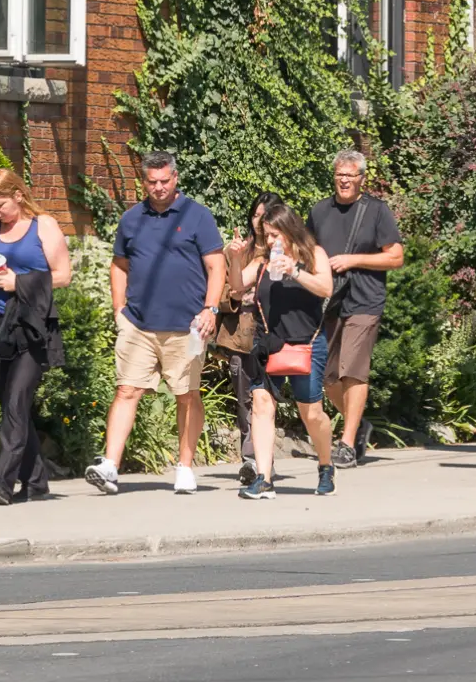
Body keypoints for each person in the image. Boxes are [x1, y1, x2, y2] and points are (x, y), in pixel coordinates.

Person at [87, 152, 224, 496]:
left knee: (186, 395)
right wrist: (119, 308)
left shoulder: (197, 216)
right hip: (138, 325)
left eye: (165, 181)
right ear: (143, 181)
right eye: (152, 182)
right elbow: (119, 265)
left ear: (175, 178)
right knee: (126, 390)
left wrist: (211, 309)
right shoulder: (132, 218)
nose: (159, 187)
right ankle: (110, 467)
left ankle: (185, 468)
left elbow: (217, 267)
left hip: (187, 326)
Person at [0, 170, 73, 505]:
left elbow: (63, 275)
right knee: (11, 406)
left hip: (31, 325)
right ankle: (37, 481)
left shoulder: (43, 225)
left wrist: (20, 283)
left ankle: (2, 483)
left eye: (0, 205)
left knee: (16, 401)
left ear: (17, 194)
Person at [234, 203, 338, 499]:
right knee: (262, 403)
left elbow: (326, 288)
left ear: (291, 229)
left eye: (276, 234)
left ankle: (326, 465)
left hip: (308, 342)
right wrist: (233, 256)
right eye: (266, 236)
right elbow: (237, 286)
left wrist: (294, 271)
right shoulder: (263, 262)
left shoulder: (313, 254)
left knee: (312, 414)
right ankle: (264, 479)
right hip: (271, 343)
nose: (271, 241)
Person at [307, 149, 403, 468]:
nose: (344, 180)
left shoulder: (376, 211)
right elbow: (307, 254)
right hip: (329, 302)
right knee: (328, 376)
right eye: (339, 175)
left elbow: (396, 257)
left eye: (351, 175)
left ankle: (347, 443)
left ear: (362, 179)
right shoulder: (320, 212)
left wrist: (354, 260)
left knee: (352, 369)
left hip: (365, 300)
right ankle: (358, 424)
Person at [219, 192, 280, 489]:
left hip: (272, 334)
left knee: (264, 397)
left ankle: (258, 457)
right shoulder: (239, 250)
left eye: (266, 215)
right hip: (239, 335)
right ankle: (252, 457)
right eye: (256, 215)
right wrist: (232, 257)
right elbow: (226, 290)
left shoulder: (282, 250)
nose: (260, 221)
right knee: (244, 396)